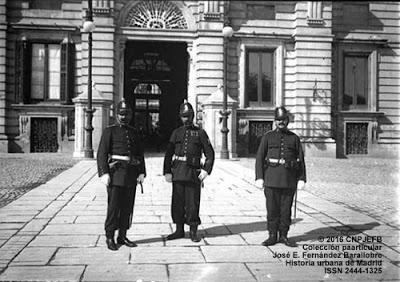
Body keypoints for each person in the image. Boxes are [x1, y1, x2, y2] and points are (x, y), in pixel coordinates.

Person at [97, 98, 146, 251]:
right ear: (117, 114)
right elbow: (101, 154)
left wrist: (142, 172)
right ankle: (110, 236)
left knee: (127, 207)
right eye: (122, 114)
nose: (124, 117)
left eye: (127, 114)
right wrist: (104, 173)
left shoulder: (134, 132)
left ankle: (122, 235)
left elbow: (139, 154)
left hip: (131, 174)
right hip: (116, 174)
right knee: (114, 207)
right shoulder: (109, 131)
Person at [163, 100, 215, 242]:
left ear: (193, 116)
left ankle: (193, 231)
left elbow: (210, 154)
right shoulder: (176, 133)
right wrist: (167, 171)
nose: (187, 118)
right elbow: (168, 154)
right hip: (178, 172)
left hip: (193, 174)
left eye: (189, 115)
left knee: (192, 204)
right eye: (184, 116)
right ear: (180, 117)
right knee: (177, 203)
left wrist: (205, 171)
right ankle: (179, 230)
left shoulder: (200, 133)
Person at [255, 106, 306, 247]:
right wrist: (259, 177)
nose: (281, 122)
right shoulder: (267, 137)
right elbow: (259, 158)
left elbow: (300, 159)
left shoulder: (294, 138)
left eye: (283, 119)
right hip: (271, 179)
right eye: (278, 120)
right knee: (272, 209)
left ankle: (283, 235)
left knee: (285, 210)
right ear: (275, 121)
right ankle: (272, 235)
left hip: (288, 180)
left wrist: (302, 178)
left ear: (287, 120)